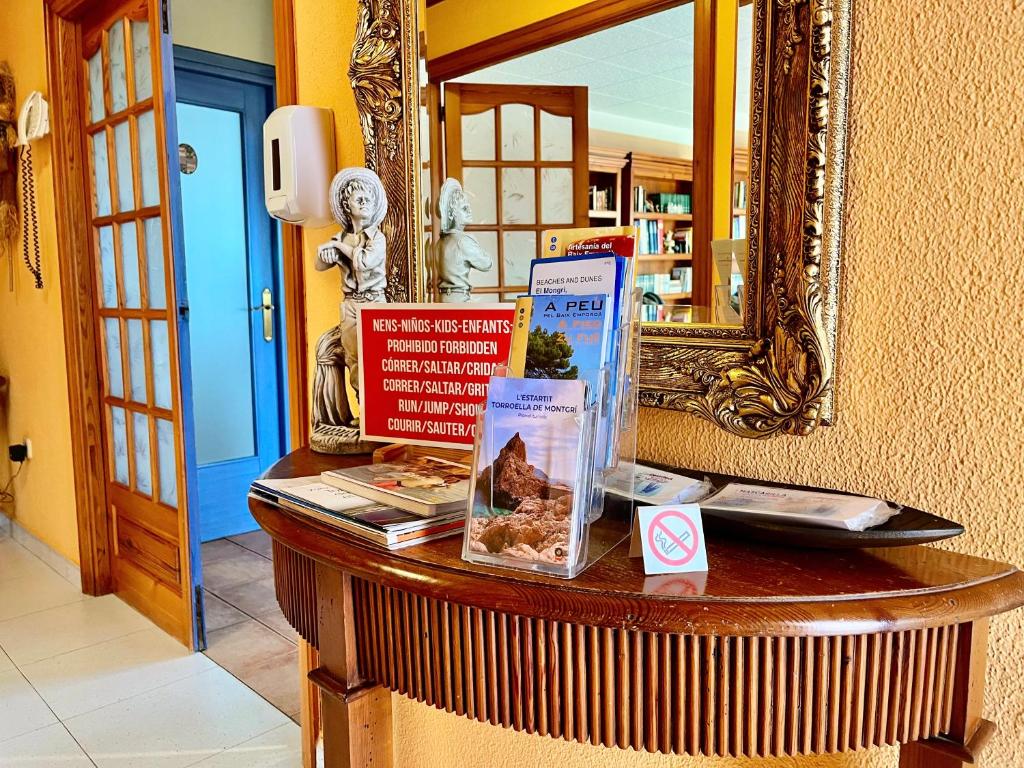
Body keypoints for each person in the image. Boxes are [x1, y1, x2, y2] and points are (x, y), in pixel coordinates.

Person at [316, 168, 388, 403]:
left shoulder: (377, 239)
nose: (365, 202)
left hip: (375, 303)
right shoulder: (340, 239)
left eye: (368, 198)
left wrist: (338, 249)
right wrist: (325, 252)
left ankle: (380, 409)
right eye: (359, 199)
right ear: (347, 206)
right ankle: (363, 408)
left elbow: (364, 261)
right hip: (350, 305)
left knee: (377, 358)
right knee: (354, 358)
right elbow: (320, 265)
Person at [435, 178, 492, 302]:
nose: (470, 211)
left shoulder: (440, 242)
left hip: (442, 299)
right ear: (451, 214)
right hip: (460, 300)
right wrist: (473, 241)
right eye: (464, 209)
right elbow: (486, 263)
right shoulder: (463, 241)